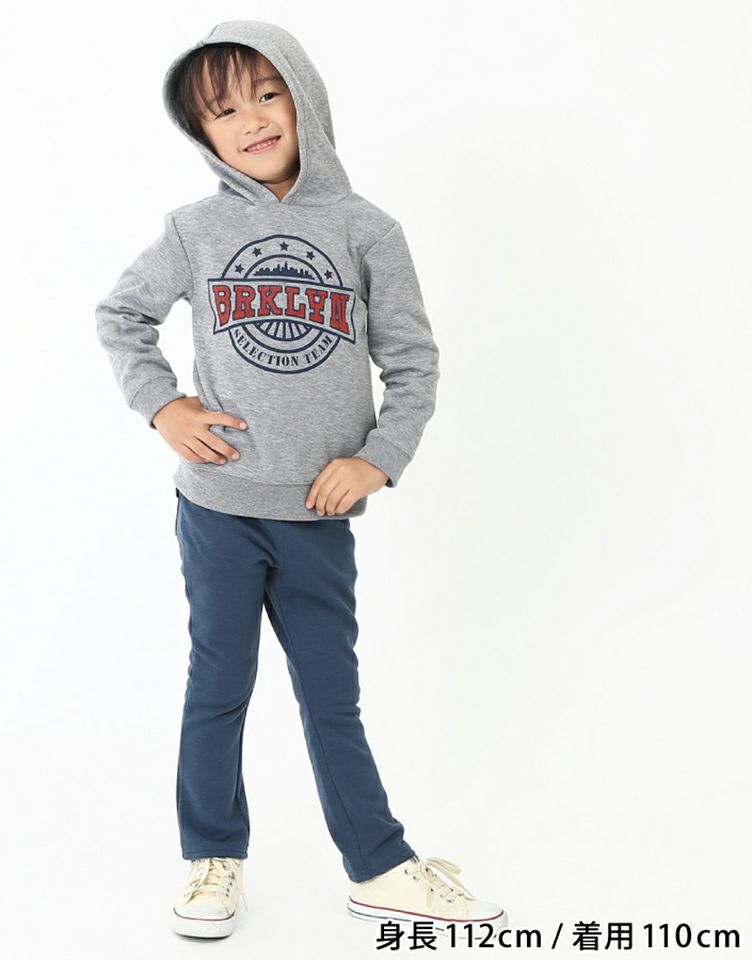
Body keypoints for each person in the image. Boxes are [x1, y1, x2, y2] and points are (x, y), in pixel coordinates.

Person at [95, 18, 507, 940]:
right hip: (218, 507)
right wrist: (163, 407)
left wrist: (377, 459)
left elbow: (414, 363)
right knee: (219, 684)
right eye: (222, 110)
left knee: (331, 696)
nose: (249, 120)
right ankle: (211, 858)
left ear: (305, 97)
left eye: (266, 93)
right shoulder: (194, 230)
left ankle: (380, 866)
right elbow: (121, 315)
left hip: (319, 512)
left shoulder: (368, 230)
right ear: (200, 132)